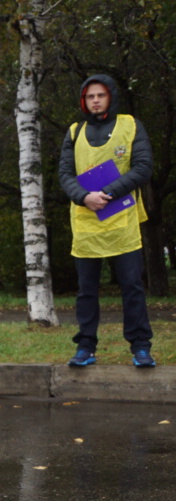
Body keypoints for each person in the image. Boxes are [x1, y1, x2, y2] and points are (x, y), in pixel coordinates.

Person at [57, 74, 156, 368]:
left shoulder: (131, 125)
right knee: (87, 290)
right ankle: (85, 346)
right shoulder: (74, 131)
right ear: (83, 101)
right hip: (86, 223)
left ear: (111, 96)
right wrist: (84, 197)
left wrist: (108, 192)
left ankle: (140, 347)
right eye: (90, 96)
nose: (96, 100)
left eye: (101, 95)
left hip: (122, 221)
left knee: (132, 286)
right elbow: (64, 175)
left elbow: (143, 167)